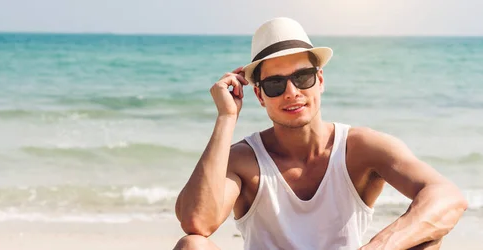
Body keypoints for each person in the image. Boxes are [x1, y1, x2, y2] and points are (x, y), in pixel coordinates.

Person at [173, 17, 468, 250]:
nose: (292, 92)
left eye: (302, 77)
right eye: (275, 84)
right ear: (260, 96)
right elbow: (197, 222)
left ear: (320, 80)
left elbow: (448, 197)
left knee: (426, 239)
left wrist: (378, 247)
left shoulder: (359, 147)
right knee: (192, 245)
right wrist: (226, 118)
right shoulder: (244, 160)